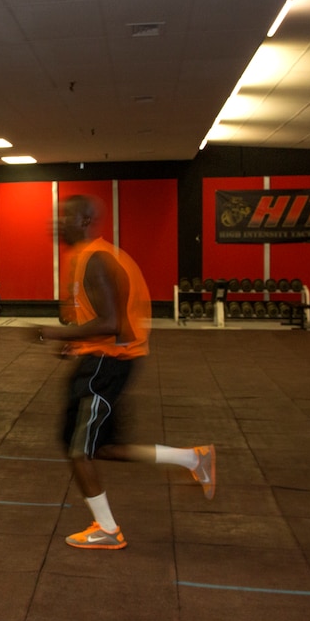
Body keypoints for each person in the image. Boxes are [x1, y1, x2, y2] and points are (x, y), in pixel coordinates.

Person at [37, 195, 215, 550]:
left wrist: (55, 333)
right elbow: (103, 320)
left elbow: (111, 323)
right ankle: (194, 458)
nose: (57, 223)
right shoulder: (87, 256)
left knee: (78, 449)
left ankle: (107, 529)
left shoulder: (97, 259)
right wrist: (77, 343)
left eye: (65, 217)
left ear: (85, 221)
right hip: (104, 359)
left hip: (107, 364)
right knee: (102, 447)